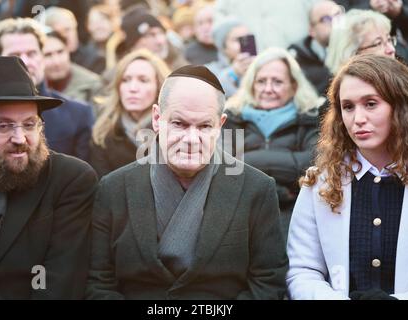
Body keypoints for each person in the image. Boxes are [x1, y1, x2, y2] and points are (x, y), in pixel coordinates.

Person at [86, 65, 288, 300]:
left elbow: (268, 281)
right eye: (179, 124)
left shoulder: (256, 189)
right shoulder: (113, 188)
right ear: (157, 119)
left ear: (220, 125)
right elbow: (98, 282)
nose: (191, 139)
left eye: (204, 126)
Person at [0, 55, 98, 299]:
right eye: (3, 125)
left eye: (29, 124)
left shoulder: (71, 180)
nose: (19, 138)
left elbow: (60, 285)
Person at [286, 54, 408, 300]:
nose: (358, 119)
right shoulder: (319, 183)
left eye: (370, 104)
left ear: (400, 106)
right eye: (348, 107)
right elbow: (302, 271)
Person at [224, 47, 321, 236]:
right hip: (240, 216)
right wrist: (277, 191)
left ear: (294, 86)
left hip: (295, 217)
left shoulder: (311, 117)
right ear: (251, 84)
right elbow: (222, 169)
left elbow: (313, 165)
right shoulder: (232, 118)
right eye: (261, 81)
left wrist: (246, 161)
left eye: (277, 82)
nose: (268, 89)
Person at [0, 17, 95, 162]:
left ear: (42, 55)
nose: (25, 62)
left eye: (32, 53)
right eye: (15, 55)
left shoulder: (79, 114)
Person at [90, 49, 170, 178]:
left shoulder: (172, 131)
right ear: (118, 86)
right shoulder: (102, 133)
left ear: (159, 88)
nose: (132, 88)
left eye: (143, 80)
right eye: (126, 80)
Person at [288, 0, 344, 95]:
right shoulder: (297, 59)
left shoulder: (359, 47)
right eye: (326, 19)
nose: (334, 21)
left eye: (338, 15)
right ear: (311, 30)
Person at [326, 9, 396, 75]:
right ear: (352, 55)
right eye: (378, 43)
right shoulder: (356, 86)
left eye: (389, 40)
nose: (391, 49)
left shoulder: (394, 79)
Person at [43, 31, 102, 106]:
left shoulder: (93, 86)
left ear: (68, 51)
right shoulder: (32, 87)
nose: (56, 62)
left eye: (60, 52)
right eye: (47, 55)